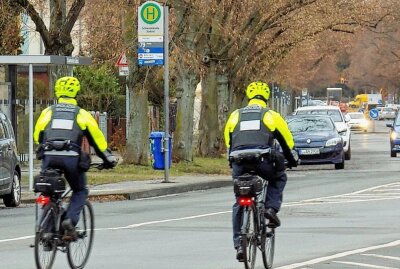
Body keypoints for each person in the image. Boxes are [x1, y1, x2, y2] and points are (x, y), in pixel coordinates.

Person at [34, 76, 118, 240]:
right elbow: (98, 141)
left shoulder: (48, 112)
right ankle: (70, 221)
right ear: (76, 93)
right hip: (72, 158)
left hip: (49, 156)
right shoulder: (81, 114)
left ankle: (48, 231)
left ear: (57, 93)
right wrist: (108, 159)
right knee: (80, 190)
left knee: (49, 189)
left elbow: (38, 135)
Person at [223, 81, 298, 261]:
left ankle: (238, 243)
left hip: (238, 161)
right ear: (266, 97)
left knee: (240, 200)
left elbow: (228, 140)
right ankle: (271, 209)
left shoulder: (235, 115)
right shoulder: (270, 115)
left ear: (249, 97)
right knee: (278, 178)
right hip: (262, 161)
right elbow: (287, 141)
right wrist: (292, 159)